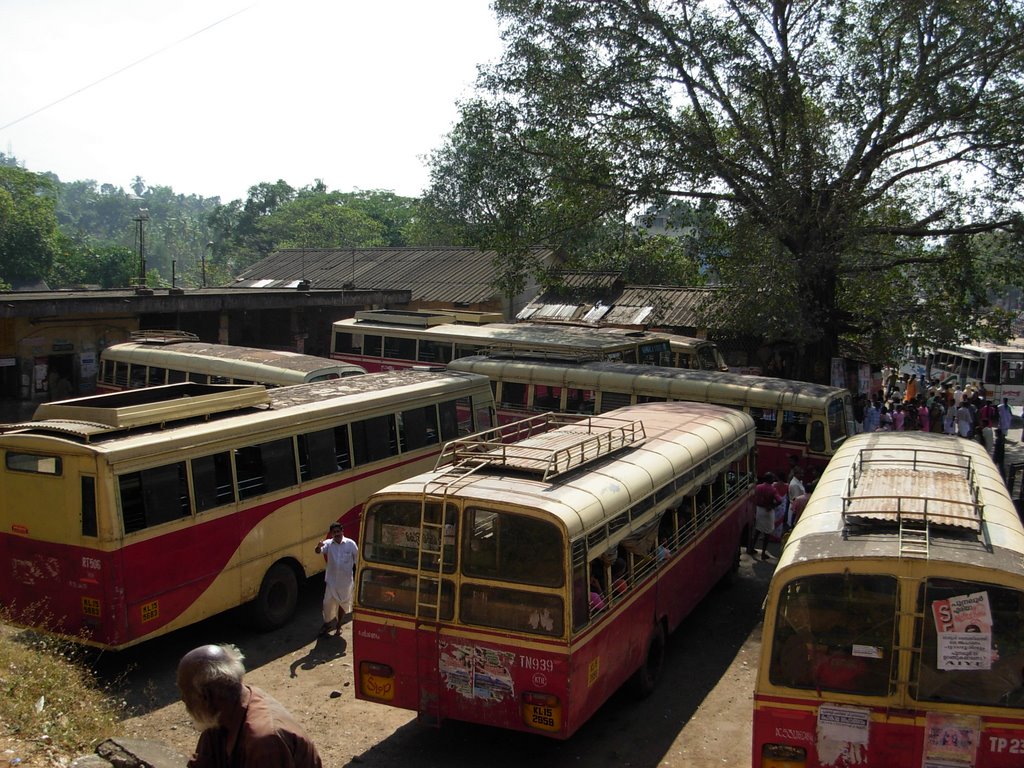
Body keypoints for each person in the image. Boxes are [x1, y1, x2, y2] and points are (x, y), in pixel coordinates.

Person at [177, 643, 323, 768]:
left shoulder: (263, 743)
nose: (183, 699)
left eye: (185, 693)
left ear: (206, 697)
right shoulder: (224, 711)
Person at [315, 521, 358, 637]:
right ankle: (327, 624)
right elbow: (318, 551)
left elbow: (358, 560)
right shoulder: (328, 544)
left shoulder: (351, 544)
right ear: (331, 534)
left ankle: (339, 625)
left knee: (343, 604)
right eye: (334, 532)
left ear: (342, 531)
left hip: (346, 583)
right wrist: (318, 547)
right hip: (331, 582)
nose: (337, 534)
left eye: (338, 531)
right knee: (327, 604)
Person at [749, 473, 779, 561]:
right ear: (770, 480)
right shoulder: (773, 489)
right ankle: (763, 553)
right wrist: (772, 506)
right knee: (767, 533)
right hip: (768, 511)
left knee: (757, 530)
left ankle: (751, 548)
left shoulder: (758, 487)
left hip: (759, 510)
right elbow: (779, 500)